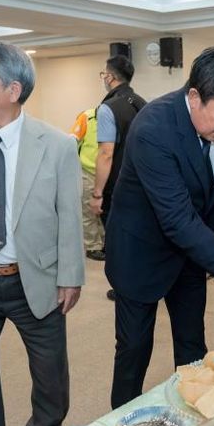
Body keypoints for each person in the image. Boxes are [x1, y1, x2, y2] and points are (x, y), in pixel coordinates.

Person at [104, 45, 214, 408]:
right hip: (140, 253)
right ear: (194, 96)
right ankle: (122, 415)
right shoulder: (153, 128)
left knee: (192, 343)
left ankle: (193, 409)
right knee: (135, 349)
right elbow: (177, 219)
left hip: (189, 254)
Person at [0, 41, 84, 426]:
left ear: (12, 90)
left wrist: (70, 274)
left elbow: (68, 216)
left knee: (52, 387)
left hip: (34, 279)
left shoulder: (56, 144)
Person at [89, 55, 146, 300]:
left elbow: (106, 153)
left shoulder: (107, 108)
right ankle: (143, 282)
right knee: (141, 239)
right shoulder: (142, 103)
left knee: (117, 242)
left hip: (118, 188)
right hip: (143, 185)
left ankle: (124, 288)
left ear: (110, 77)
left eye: (104, 74)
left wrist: (97, 193)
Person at [70, 107, 105, 261]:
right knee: (88, 210)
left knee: (104, 210)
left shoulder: (114, 118)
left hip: (107, 173)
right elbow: (72, 140)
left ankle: (104, 243)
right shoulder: (87, 117)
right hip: (88, 171)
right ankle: (92, 246)